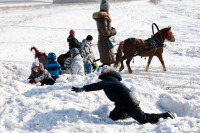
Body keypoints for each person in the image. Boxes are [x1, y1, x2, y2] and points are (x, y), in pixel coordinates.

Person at [71, 65, 175, 124]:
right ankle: (129, 113)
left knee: (144, 119)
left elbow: (99, 85)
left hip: (128, 102)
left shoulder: (109, 79)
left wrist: (83, 88)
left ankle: (166, 115)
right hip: (123, 103)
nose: (100, 74)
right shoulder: (112, 78)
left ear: (104, 73)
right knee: (112, 117)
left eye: (101, 72)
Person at [93, 0, 116, 66]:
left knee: (107, 63)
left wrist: (110, 29)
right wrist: (113, 31)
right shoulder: (103, 19)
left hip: (104, 43)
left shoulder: (102, 18)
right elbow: (105, 32)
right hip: (105, 44)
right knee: (107, 64)